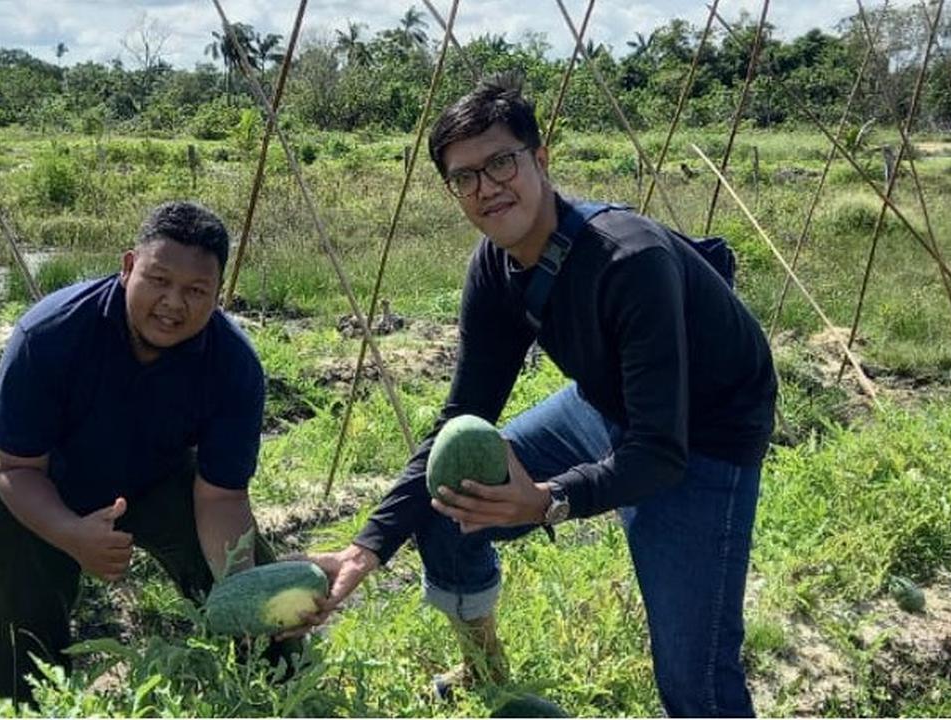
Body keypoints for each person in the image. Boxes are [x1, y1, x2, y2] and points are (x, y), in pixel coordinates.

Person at [303, 76, 777, 717]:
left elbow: (659, 454)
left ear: (541, 159)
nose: (487, 187)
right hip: (605, 403)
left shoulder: (626, 262)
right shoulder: (495, 267)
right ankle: (482, 668)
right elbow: (461, 419)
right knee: (451, 502)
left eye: (501, 162)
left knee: (695, 677)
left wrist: (547, 501)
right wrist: (367, 548)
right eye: (465, 177)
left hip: (705, 432)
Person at [0, 201, 295, 703]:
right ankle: (13, 705)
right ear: (127, 268)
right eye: (158, 280)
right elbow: (14, 467)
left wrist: (242, 587)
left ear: (218, 294)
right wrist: (72, 535)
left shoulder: (233, 366)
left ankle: (282, 699)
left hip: (155, 479)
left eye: (195, 291)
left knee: (259, 594)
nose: (173, 303)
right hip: (43, 481)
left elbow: (222, 499)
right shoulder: (51, 335)